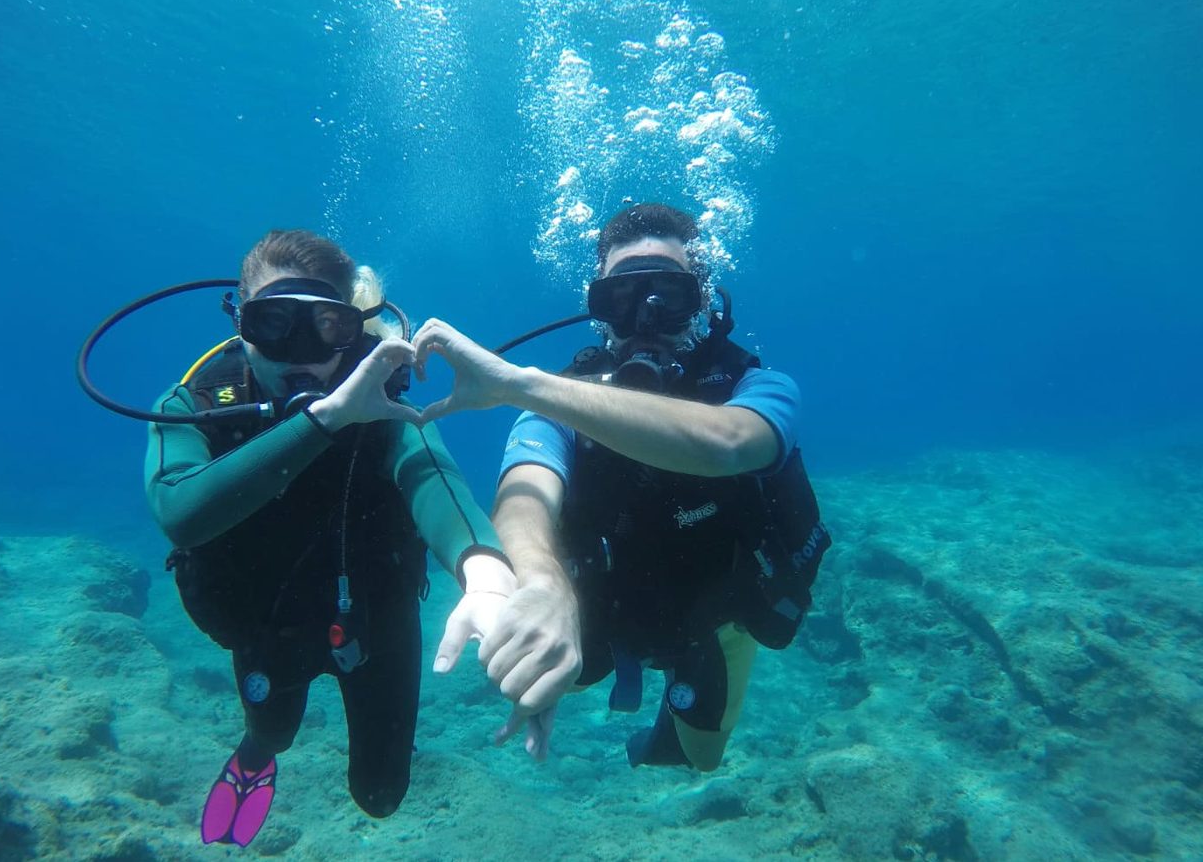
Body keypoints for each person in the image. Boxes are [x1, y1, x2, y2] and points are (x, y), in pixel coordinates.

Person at [412, 203, 830, 771]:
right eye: (623, 299)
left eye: (669, 296)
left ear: (702, 300)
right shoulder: (555, 399)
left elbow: (730, 442)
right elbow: (522, 493)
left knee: (702, 758)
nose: (646, 319)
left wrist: (520, 385)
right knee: (564, 673)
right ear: (599, 311)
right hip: (605, 610)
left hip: (717, 617)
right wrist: (540, 583)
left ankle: (673, 720)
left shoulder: (757, 385)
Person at [145, 230, 515, 846]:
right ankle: (254, 763)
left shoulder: (383, 407)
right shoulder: (199, 402)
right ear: (240, 323)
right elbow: (181, 511)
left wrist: (484, 567)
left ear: (352, 330)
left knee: (381, 795)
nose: (300, 352)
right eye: (273, 322)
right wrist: (327, 418)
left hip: (374, 621)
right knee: (272, 732)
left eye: (325, 327)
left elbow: (429, 470)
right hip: (268, 622)